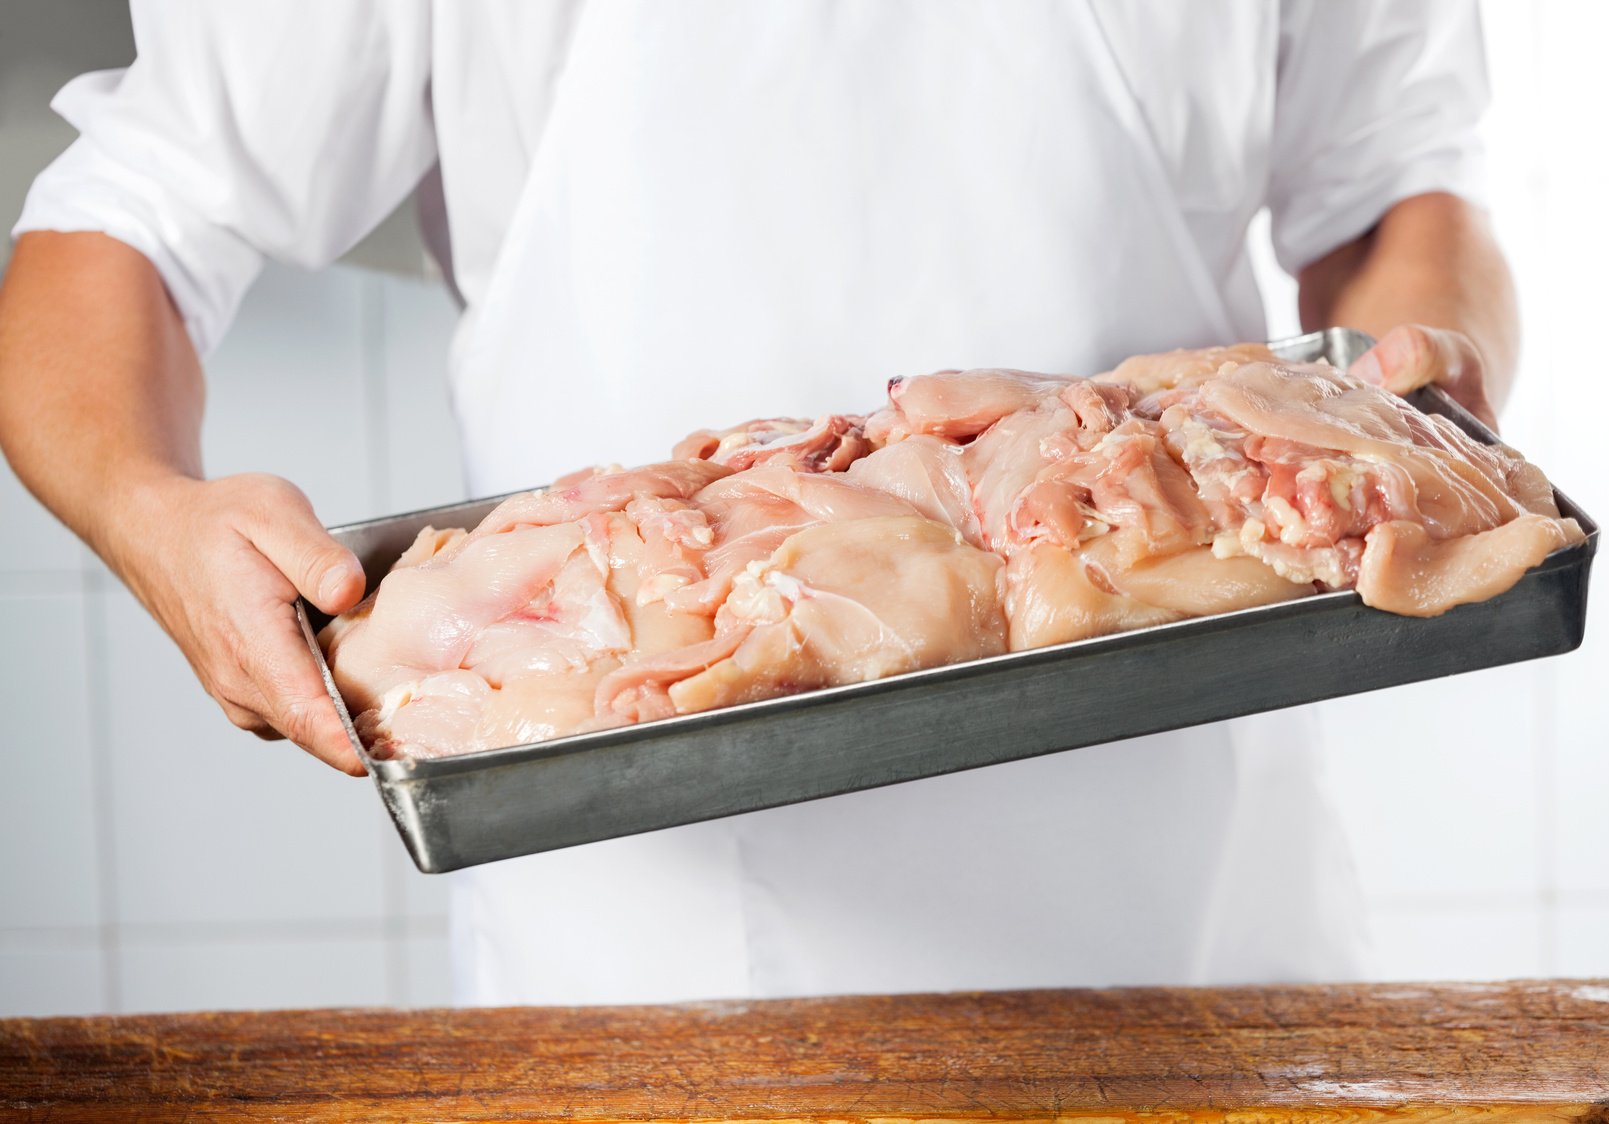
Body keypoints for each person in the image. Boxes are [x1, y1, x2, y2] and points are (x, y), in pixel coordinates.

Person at [0, 2, 1514, 1005]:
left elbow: (1394, 194)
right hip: (642, 934)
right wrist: (149, 507)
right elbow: (134, 209)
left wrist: (1412, 394)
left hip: (1188, 906)